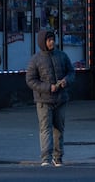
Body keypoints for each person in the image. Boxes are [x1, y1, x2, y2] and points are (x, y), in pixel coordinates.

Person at [25, 30, 75, 167]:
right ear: (43, 42)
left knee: (59, 128)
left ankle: (58, 158)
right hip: (44, 100)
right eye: (49, 40)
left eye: (53, 39)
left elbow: (71, 72)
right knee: (45, 129)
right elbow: (30, 80)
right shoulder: (35, 59)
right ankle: (46, 158)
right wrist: (48, 87)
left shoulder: (62, 56)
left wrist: (66, 81)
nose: (52, 42)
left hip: (61, 99)